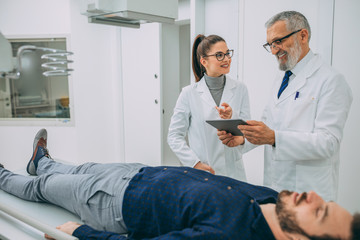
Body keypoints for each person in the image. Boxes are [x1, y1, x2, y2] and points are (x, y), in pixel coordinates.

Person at [0, 129, 359, 240]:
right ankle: (41, 162)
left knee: (44, 190)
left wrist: (81, 234)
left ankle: (4, 175)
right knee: (78, 168)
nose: (314, 196)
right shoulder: (271, 199)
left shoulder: (228, 236)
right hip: (141, 173)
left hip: (111, 203)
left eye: (321, 211)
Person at [218, 11, 353, 201]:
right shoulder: (283, 78)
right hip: (276, 186)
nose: (274, 50)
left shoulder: (331, 80)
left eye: (278, 42)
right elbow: (269, 124)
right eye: (270, 45)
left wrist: (275, 138)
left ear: (303, 35)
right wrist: (243, 139)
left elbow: (328, 143)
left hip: (309, 194)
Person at [168, 34, 250, 181]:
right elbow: (174, 136)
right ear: (204, 61)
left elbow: (248, 133)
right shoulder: (189, 93)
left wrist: (232, 116)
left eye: (227, 53)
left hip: (234, 174)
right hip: (204, 173)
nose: (226, 59)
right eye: (219, 55)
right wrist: (195, 163)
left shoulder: (240, 89)